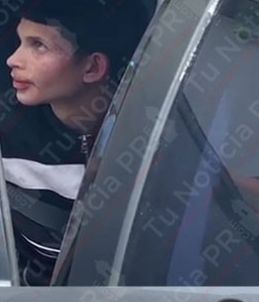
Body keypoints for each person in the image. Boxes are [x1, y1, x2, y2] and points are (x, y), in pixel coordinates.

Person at [1, 1, 149, 285]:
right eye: (20, 41)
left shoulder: (151, 134)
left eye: (38, 45)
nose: (13, 59)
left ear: (93, 67)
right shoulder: (10, 129)